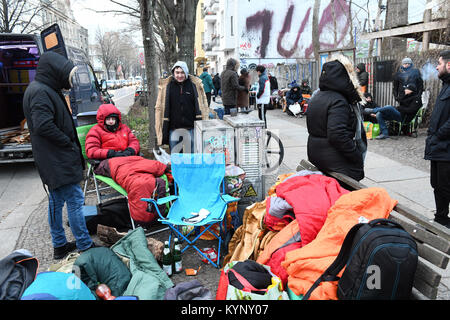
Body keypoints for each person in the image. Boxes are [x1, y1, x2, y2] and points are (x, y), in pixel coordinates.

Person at [22, 51, 94, 259]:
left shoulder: (43, 89)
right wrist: (67, 143)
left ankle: (60, 245)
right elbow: (43, 125)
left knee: (56, 200)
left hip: (53, 158)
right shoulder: (40, 92)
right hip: (57, 159)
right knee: (75, 199)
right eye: (66, 76)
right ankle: (84, 244)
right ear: (54, 73)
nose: (68, 81)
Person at [306, 54, 367, 181]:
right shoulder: (338, 100)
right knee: (356, 174)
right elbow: (337, 135)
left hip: (316, 154)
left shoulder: (317, 96)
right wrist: (355, 155)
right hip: (333, 158)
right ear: (345, 77)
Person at [155, 61, 208, 153]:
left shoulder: (194, 85)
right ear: (173, 73)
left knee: (191, 158)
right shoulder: (167, 87)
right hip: (174, 129)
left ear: (186, 73)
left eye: (182, 72)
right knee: (176, 160)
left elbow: (203, 106)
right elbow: (159, 108)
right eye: (177, 72)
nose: (180, 75)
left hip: (191, 129)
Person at [424, 50, 450, 228]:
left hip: (446, 146)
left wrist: (439, 134)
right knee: (438, 185)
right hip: (438, 146)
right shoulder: (445, 85)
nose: (436, 66)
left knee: (446, 185)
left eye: (439, 63)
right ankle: (441, 219)